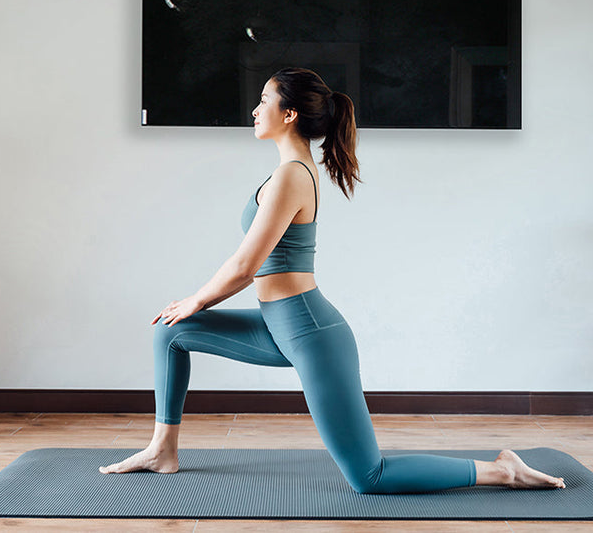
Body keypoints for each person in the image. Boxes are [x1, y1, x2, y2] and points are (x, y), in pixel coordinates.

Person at [100, 68, 565, 493]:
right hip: (278, 324)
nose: (255, 109)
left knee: (369, 476)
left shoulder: (291, 177)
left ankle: (502, 470)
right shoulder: (289, 173)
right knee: (171, 331)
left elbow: (246, 265)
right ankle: (163, 450)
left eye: (264, 100)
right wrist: (189, 307)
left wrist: (196, 299)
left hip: (311, 334)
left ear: (290, 113)